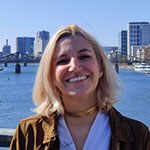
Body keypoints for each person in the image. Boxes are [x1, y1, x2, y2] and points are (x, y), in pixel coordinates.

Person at [10, 24, 150, 150]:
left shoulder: (138, 135)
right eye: (63, 60)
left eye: (84, 57)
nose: (75, 67)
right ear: (51, 76)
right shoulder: (28, 133)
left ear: (100, 68)